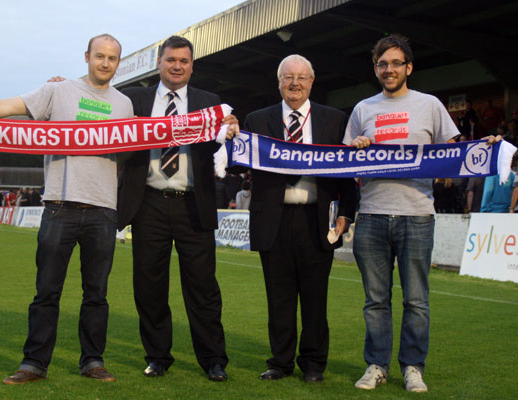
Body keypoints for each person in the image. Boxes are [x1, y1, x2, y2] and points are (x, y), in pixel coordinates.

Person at [0, 33, 133, 384]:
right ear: (86, 56)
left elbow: (136, 149)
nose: (105, 63)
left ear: (118, 62)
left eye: (112, 58)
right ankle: (34, 363)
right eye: (99, 56)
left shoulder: (125, 105)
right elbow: (7, 107)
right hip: (59, 206)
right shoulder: (57, 91)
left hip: (102, 209)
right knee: (46, 291)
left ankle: (93, 361)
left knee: (96, 294)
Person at [343, 34, 501, 393]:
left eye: (396, 63)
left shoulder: (429, 105)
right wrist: (357, 147)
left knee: (416, 299)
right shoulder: (362, 109)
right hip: (371, 215)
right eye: (383, 64)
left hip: (417, 215)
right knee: (375, 301)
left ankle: (413, 367)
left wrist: (485, 148)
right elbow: (345, 162)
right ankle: (376, 365)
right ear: (375, 68)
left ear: (409, 67)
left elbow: (454, 154)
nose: (389, 69)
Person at [118, 35, 237, 382]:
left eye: (184, 61)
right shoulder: (135, 99)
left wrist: (231, 126)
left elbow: (229, 126)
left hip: (193, 206)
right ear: (160, 63)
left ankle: (213, 359)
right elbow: (101, 115)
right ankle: (157, 356)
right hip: (148, 204)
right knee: (149, 286)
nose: (177, 66)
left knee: (203, 288)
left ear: (192, 65)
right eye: (171, 60)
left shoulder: (208, 102)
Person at [242, 54, 356, 383]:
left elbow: (348, 172)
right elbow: (238, 164)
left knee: (315, 297)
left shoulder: (334, 120)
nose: (295, 83)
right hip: (272, 220)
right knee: (278, 297)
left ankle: (314, 365)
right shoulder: (256, 120)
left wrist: (347, 211)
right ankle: (279, 362)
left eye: (302, 77)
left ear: (312, 82)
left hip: (315, 219)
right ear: (279, 82)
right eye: (288, 77)